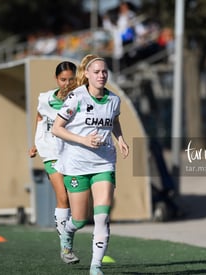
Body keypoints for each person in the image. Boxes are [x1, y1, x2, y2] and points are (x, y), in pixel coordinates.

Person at [52, 54, 129, 275]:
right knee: (79, 219)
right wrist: (84, 140)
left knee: (102, 216)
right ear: (86, 74)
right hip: (77, 164)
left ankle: (96, 267)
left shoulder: (114, 100)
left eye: (104, 72)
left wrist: (120, 139)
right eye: (96, 72)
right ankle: (67, 232)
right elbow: (57, 128)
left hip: (104, 162)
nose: (101, 75)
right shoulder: (76, 97)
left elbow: (114, 120)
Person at [28, 61, 79, 264]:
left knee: (78, 207)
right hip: (51, 152)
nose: (67, 83)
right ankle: (65, 248)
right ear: (56, 79)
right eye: (63, 79)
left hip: (73, 153)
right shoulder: (46, 98)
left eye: (71, 79)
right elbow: (40, 118)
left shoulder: (81, 98)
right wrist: (36, 144)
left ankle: (69, 236)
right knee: (63, 198)